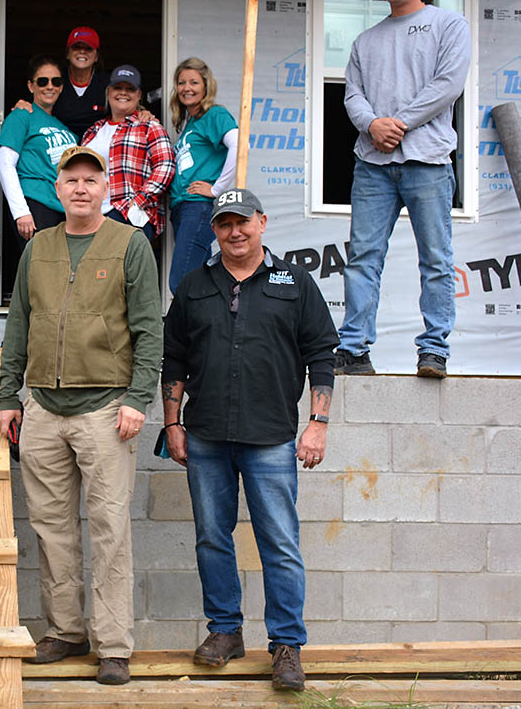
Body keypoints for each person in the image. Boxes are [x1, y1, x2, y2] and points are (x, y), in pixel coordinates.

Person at [161, 188, 337, 693]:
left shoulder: (295, 282)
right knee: (212, 539)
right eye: (223, 224)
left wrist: (318, 422)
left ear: (262, 222)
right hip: (207, 437)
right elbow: (173, 360)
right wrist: (173, 425)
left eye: (243, 222)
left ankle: (286, 645)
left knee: (279, 543)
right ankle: (225, 631)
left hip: (272, 439)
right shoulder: (194, 286)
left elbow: (322, 353)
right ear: (214, 231)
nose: (234, 232)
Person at [0, 147, 162, 687]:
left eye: (92, 179)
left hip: (105, 409)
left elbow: (147, 329)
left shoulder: (130, 244)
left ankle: (113, 644)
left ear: (105, 187)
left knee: (110, 529)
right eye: (72, 179)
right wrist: (8, 396)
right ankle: (65, 631)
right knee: (50, 528)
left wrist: (139, 399)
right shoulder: (38, 247)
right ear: (59, 187)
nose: (82, 188)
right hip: (43, 406)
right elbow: (19, 324)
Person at [337, 0, 471, 379]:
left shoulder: (448, 25)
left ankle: (434, 351)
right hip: (372, 164)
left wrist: (398, 124)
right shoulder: (365, 39)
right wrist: (373, 125)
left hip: (428, 162)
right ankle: (354, 350)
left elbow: (448, 84)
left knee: (435, 259)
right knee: (363, 258)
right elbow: (351, 94)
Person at [167, 57, 239, 291]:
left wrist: (217, 189)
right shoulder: (191, 122)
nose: (186, 88)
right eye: (181, 82)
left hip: (198, 207)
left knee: (181, 282)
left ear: (206, 86)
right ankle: (212, 327)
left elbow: (239, 145)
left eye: (194, 82)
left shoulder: (214, 114)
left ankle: (184, 329)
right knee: (201, 282)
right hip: (182, 208)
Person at [81, 65, 174, 242]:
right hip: (92, 216)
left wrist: (138, 201)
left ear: (139, 95)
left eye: (130, 89)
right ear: (108, 92)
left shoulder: (149, 126)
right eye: (118, 88)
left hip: (127, 214)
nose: (123, 93)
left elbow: (166, 166)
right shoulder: (92, 132)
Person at [0, 54, 77, 247]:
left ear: (61, 87)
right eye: (42, 81)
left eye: (55, 81)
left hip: (64, 209)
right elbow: (5, 164)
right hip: (35, 204)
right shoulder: (22, 116)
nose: (50, 86)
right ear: (31, 86)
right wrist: (21, 212)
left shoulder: (66, 129)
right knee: (40, 270)